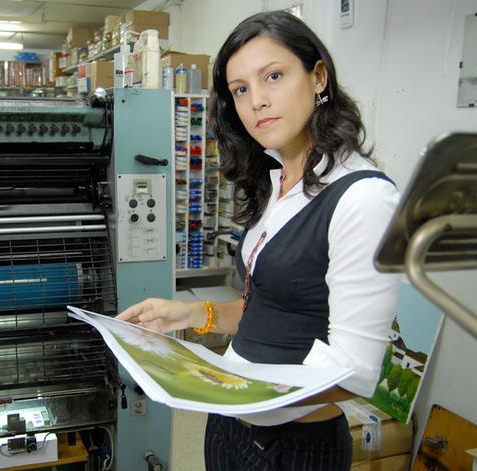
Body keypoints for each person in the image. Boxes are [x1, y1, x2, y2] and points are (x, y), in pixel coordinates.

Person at [116, 10, 400, 470]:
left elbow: (356, 373)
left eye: (273, 76)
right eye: (241, 90)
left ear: (319, 76)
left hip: (293, 447)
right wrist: (189, 314)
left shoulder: (363, 199)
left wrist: (220, 385)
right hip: (230, 429)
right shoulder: (277, 180)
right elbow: (269, 308)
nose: (257, 102)